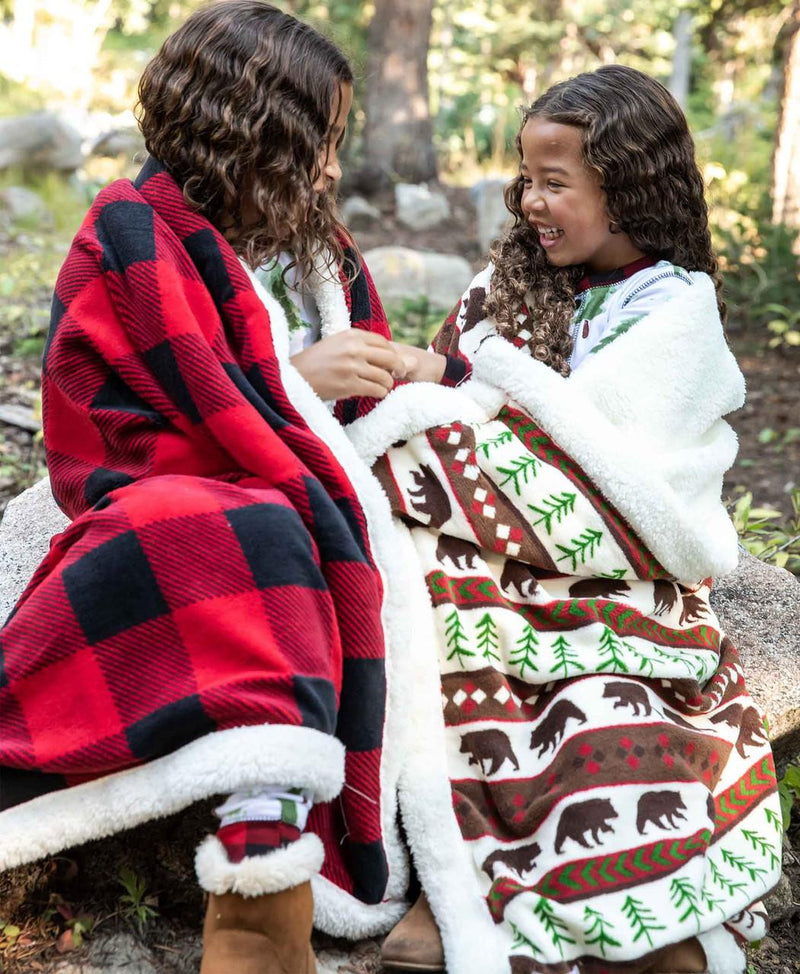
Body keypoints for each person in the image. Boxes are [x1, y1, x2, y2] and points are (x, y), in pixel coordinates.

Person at [0, 3, 452, 973]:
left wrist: (393, 381)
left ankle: (428, 869)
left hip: (305, 489)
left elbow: (339, 425)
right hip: (165, 484)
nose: (330, 164)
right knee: (249, 535)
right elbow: (112, 421)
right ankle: (257, 907)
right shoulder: (129, 228)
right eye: (318, 139)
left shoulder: (315, 248)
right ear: (255, 127)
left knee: (372, 548)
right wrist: (299, 380)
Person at [349, 65, 782, 974]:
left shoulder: (673, 311)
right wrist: (435, 390)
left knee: (593, 666)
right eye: (527, 179)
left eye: (557, 183)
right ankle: (460, 875)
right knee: (454, 599)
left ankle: (631, 903)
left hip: (617, 553)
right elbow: (457, 395)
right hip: (494, 534)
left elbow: (628, 455)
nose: (532, 203)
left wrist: (470, 402)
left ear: (627, 188)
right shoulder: (508, 284)